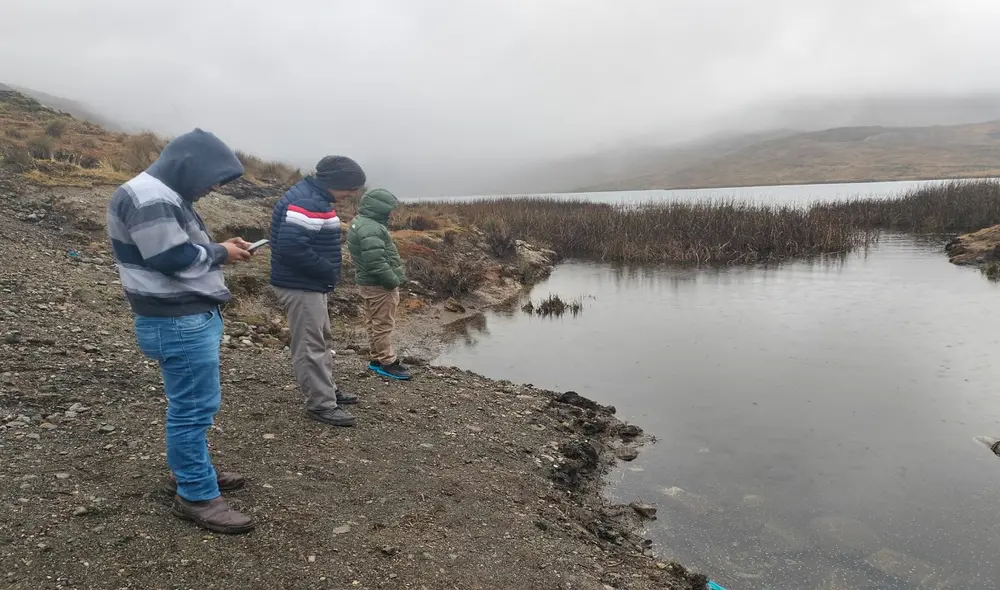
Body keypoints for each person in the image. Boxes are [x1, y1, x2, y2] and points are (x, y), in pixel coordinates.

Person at [106, 129, 255, 534]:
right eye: (213, 179)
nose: (213, 187)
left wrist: (221, 246)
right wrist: (222, 251)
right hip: (177, 320)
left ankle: (192, 470)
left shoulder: (164, 194)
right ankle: (195, 494)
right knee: (191, 409)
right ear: (190, 165)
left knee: (192, 406)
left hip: (183, 317)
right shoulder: (150, 197)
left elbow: (180, 248)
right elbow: (171, 257)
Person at [270, 156, 365, 427]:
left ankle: (326, 391)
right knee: (311, 345)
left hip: (308, 283)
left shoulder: (314, 196)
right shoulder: (307, 202)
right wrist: (326, 269)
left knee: (320, 339)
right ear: (336, 183)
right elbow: (292, 248)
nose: (353, 194)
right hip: (301, 284)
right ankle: (321, 405)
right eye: (351, 187)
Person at [346, 188, 410, 380]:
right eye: (390, 208)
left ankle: (376, 358)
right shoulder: (371, 227)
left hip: (369, 283)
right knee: (383, 323)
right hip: (379, 285)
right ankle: (388, 362)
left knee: (373, 320)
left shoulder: (364, 223)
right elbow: (375, 260)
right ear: (379, 207)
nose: (393, 212)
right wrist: (392, 280)